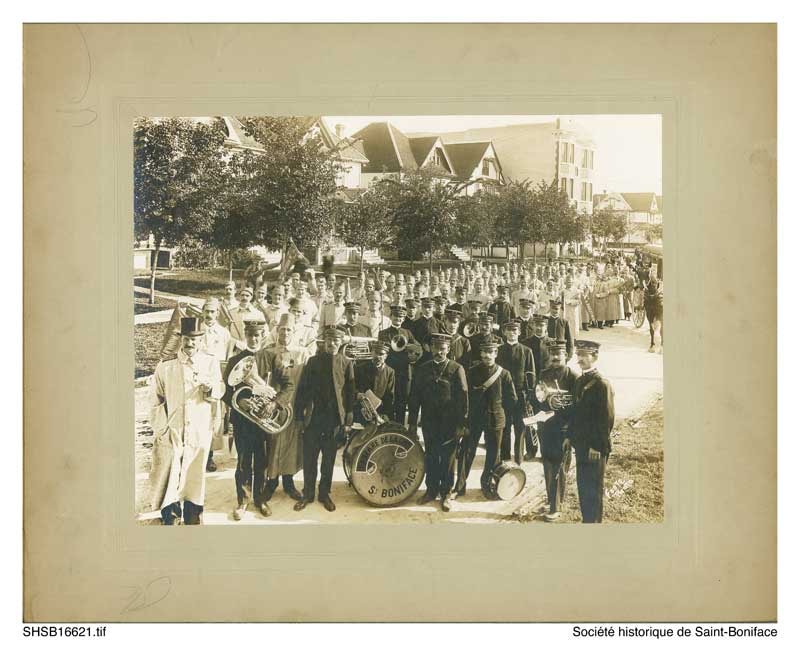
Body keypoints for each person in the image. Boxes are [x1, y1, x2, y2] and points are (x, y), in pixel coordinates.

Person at [148, 317, 224, 525]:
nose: (190, 344)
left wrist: (211, 390)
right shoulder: (166, 365)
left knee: (194, 469)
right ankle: (170, 513)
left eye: (194, 339)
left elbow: (220, 389)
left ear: (201, 340)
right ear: (181, 339)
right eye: (186, 339)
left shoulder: (210, 362)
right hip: (173, 426)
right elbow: (156, 397)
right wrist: (162, 428)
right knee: (171, 469)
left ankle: (193, 513)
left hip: (199, 425)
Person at [224, 320, 294, 520]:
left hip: (264, 418)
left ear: (263, 335)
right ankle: (242, 501)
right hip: (243, 419)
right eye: (250, 335)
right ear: (245, 335)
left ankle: (260, 499)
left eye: (257, 335)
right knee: (244, 461)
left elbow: (289, 385)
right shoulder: (235, 360)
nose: (254, 339)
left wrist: (275, 403)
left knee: (261, 461)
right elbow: (225, 392)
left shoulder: (272, 357)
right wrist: (244, 402)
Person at [293, 327, 356, 512]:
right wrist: (298, 416)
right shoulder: (313, 362)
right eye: (329, 340)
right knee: (310, 459)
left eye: (336, 340)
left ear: (341, 342)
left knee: (328, 459)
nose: (332, 343)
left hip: (334, 421)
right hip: (314, 419)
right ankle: (308, 494)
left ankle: (324, 494)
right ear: (324, 342)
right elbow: (302, 390)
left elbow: (350, 394)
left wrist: (347, 421)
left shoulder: (346, 363)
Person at [407, 334, 469, 512]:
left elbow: (463, 399)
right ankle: (431, 491)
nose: (439, 352)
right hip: (429, 422)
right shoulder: (422, 369)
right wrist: (412, 423)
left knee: (448, 460)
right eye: (436, 348)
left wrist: (462, 425)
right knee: (431, 456)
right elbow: (414, 397)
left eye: (443, 349)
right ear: (432, 349)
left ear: (448, 349)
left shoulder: (457, 369)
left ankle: (447, 493)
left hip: (450, 424)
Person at [565, 340, 615, 523]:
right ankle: (587, 522)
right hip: (581, 444)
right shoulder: (579, 381)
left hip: (595, 448)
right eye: (578, 355)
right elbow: (575, 413)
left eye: (584, 355)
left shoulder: (602, 384)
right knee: (583, 486)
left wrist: (596, 446)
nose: (580, 359)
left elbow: (606, 420)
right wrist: (569, 436)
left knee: (594, 489)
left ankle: (594, 525)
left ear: (595, 357)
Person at [459, 341, 517, 498]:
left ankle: (486, 484)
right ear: (481, 354)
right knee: (467, 451)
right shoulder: (472, 372)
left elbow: (511, 400)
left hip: (495, 419)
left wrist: (502, 414)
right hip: (475, 418)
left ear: (496, 354)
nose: (487, 355)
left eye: (490, 352)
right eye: (484, 352)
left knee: (493, 454)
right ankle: (460, 486)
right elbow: (465, 397)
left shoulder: (504, 374)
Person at [261, 314, 307, 504]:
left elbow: (306, 382)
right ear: (276, 331)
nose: (285, 333)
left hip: (294, 405)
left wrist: (304, 407)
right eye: (282, 329)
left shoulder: (302, 353)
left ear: (294, 331)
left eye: (289, 329)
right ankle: (271, 482)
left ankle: (288, 482)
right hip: (272, 407)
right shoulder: (269, 352)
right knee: (272, 443)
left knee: (291, 444)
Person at [534, 341, 578, 521]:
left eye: (559, 353)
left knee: (560, 467)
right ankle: (553, 498)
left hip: (563, 428)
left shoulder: (573, 377)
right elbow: (536, 397)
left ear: (566, 355)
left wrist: (571, 432)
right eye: (552, 353)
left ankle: (556, 506)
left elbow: (576, 406)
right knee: (548, 465)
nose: (555, 357)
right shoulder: (544, 374)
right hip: (546, 426)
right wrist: (542, 403)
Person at [198, 297, 238, 473]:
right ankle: (196, 454)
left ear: (217, 314)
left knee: (215, 417)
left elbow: (228, 358)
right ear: (202, 312)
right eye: (206, 311)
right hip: (198, 376)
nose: (209, 315)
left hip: (216, 377)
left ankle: (209, 456)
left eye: (213, 312)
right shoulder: (196, 330)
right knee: (198, 415)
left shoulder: (223, 333)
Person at [496, 320, 536, 464]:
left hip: (521, 395)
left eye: (515, 331)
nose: (512, 333)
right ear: (504, 332)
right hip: (504, 394)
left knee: (520, 427)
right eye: (509, 330)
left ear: (519, 332)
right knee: (505, 426)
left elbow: (531, 375)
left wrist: (529, 396)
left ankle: (518, 457)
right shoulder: (499, 350)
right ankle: (505, 456)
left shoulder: (526, 351)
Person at [378, 304, 418, 423]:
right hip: (389, 370)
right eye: (395, 316)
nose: (398, 319)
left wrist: (411, 351)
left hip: (404, 372)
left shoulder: (407, 332)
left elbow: (418, 348)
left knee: (401, 401)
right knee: (388, 399)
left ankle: (400, 426)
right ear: (391, 317)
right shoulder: (383, 333)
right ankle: (388, 425)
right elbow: (382, 349)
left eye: (401, 317)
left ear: (404, 318)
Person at [354, 341, 396, 424]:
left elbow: (389, 396)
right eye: (376, 353)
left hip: (380, 412)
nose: (378, 356)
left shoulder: (390, 371)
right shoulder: (360, 368)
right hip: (362, 411)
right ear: (372, 353)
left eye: (381, 354)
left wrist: (384, 415)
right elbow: (354, 387)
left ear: (386, 356)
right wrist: (358, 394)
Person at [522, 314, 552, 379]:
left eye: (541, 325)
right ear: (533, 326)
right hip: (531, 377)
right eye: (536, 325)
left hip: (548, 377)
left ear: (546, 327)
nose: (538, 328)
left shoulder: (552, 343)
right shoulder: (525, 343)